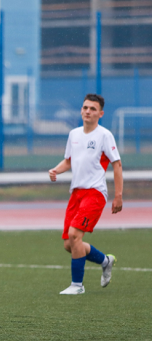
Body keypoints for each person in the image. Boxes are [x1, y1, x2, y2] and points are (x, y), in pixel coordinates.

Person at [49, 94, 123, 295]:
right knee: (69, 244)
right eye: (85, 108)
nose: (88, 111)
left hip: (95, 193)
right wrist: (56, 169)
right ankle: (105, 260)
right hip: (76, 193)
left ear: (100, 113)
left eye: (92, 108)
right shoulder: (73, 134)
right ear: (81, 111)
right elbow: (69, 161)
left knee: (74, 235)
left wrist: (118, 195)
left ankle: (77, 286)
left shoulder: (104, 135)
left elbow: (117, 164)